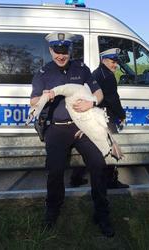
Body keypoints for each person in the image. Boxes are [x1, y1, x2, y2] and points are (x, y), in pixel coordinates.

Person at [30, 32, 115, 237]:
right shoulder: (43, 73)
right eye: (56, 51)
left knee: (98, 164)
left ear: (70, 50)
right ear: (51, 50)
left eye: (64, 51)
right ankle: (52, 211)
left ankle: (101, 213)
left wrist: (91, 103)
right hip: (57, 129)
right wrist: (43, 97)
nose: (61, 55)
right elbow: (33, 101)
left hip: (81, 127)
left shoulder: (82, 69)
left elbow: (99, 93)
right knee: (55, 170)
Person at [70, 48, 129, 189]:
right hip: (104, 117)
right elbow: (113, 100)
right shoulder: (107, 76)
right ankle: (111, 181)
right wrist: (121, 115)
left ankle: (76, 177)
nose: (115, 65)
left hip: (91, 116)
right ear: (103, 60)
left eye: (116, 62)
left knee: (91, 146)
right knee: (111, 146)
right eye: (112, 61)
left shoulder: (96, 73)